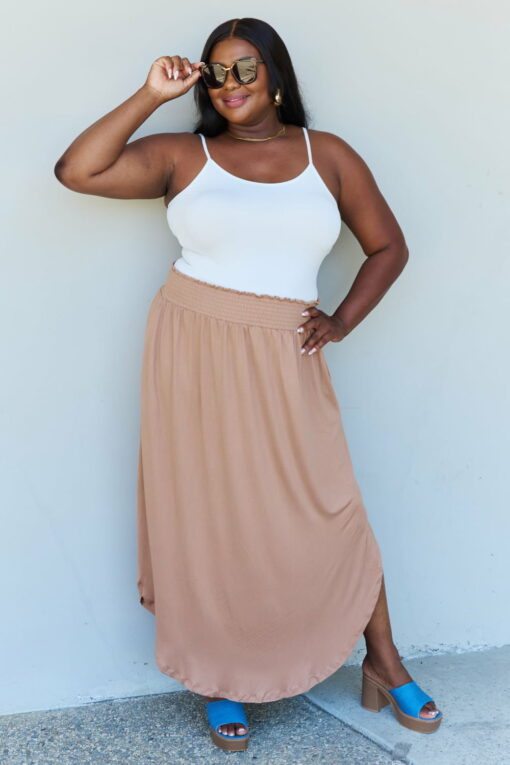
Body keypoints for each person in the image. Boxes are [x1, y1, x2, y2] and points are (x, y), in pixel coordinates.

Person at [54, 16, 442, 753]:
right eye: (217, 71)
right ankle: (220, 675)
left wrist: (342, 320)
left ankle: (384, 660)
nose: (230, 85)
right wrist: (151, 94)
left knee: (330, 504)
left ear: (276, 78)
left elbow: (389, 246)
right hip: (193, 346)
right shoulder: (183, 155)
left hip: (284, 350)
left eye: (246, 69)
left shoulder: (327, 155)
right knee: (206, 512)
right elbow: (78, 171)